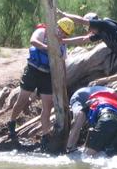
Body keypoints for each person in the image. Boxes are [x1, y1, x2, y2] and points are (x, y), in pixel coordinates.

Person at [8, 17, 78, 147]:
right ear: (56, 26)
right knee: (22, 100)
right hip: (33, 70)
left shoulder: (63, 45)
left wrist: (64, 79)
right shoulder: (43, 32)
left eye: (65, 33)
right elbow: (33, 41)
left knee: (47, 106)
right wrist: (48, 48)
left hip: (47, 75)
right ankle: (11, 122)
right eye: (61, 30)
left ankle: (45, 135)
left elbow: (62, 62)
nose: (62, 34)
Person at [66, 84, 117, 152]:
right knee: (78, 120)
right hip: (79, 98)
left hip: (94, 101)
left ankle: (76, 146)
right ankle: (69, 147)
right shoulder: (109, 94)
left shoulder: (113, 98)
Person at [78, 88, 117, 156]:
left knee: (87, 156)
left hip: (106, 119)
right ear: (115, 92)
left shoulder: (98, 98)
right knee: (109, 155)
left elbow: (87, 104)